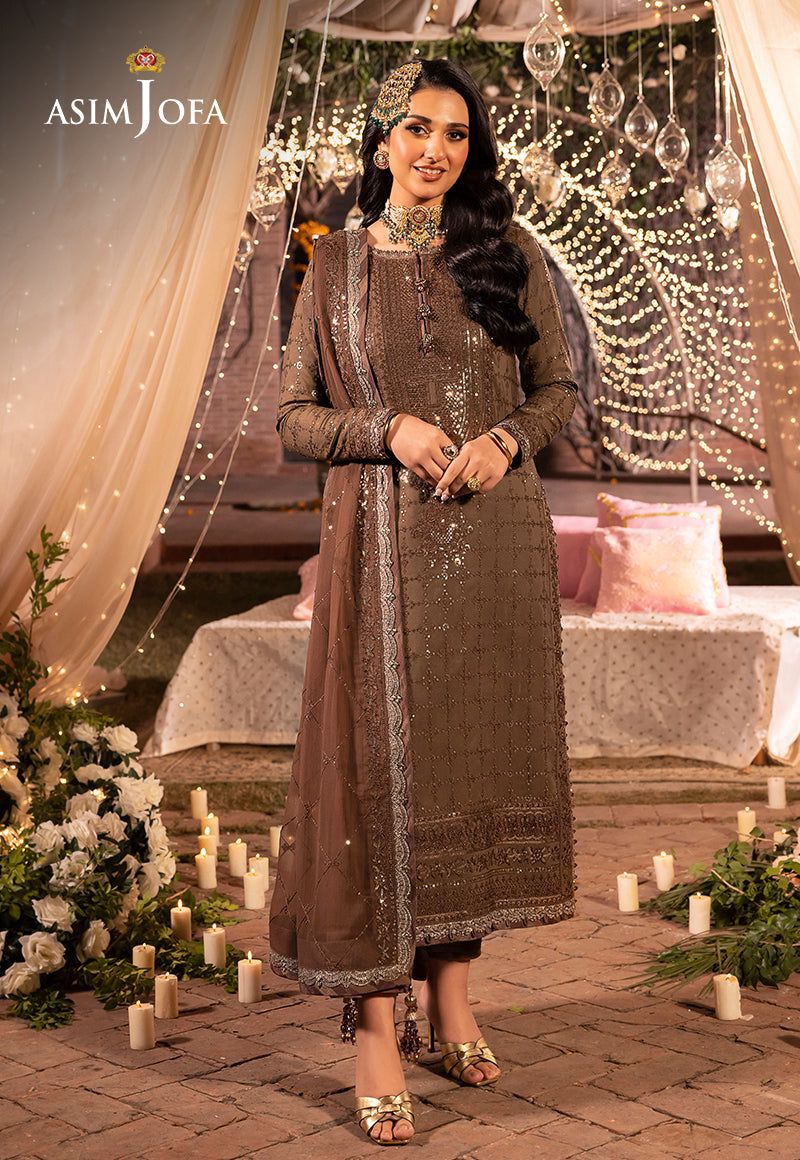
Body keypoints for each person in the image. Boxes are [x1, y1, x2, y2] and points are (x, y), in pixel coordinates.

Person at [268, 57, 579, 1146]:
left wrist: (505, 439)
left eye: (454, 132)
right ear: (379, 139)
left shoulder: (508, 252)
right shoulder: (334, 264)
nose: (434, 148)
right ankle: (373, 1026)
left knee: (469, 768)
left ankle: (450, 1001)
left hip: (492, 551)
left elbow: (557, 390)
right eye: (414, 128)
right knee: (372, 776)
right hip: (377, 551)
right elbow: (293, 416)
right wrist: (386, 429)